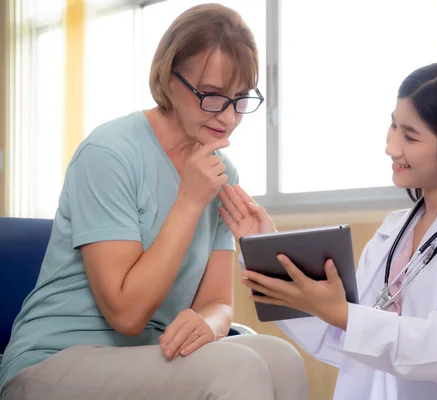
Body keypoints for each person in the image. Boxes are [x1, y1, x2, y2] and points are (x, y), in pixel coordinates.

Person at [0, 4, 307, 400]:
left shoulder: (222, 173)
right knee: (236, 368)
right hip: (53, 359)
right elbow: (126, 314)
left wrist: (208, 325)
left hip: (150, 355)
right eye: (212, 96)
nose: (229, 118)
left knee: (282, 358)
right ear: (168, 76)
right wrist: (190, 200)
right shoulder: (109, 152)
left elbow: (217, 302)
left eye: (241, 98)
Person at [218, 61, 437, 399]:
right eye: (394, 126)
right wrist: (265, 250)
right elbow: (346, 340)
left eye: (410, 136)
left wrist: (345, 315)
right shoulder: (393, 233)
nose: (391, 147)